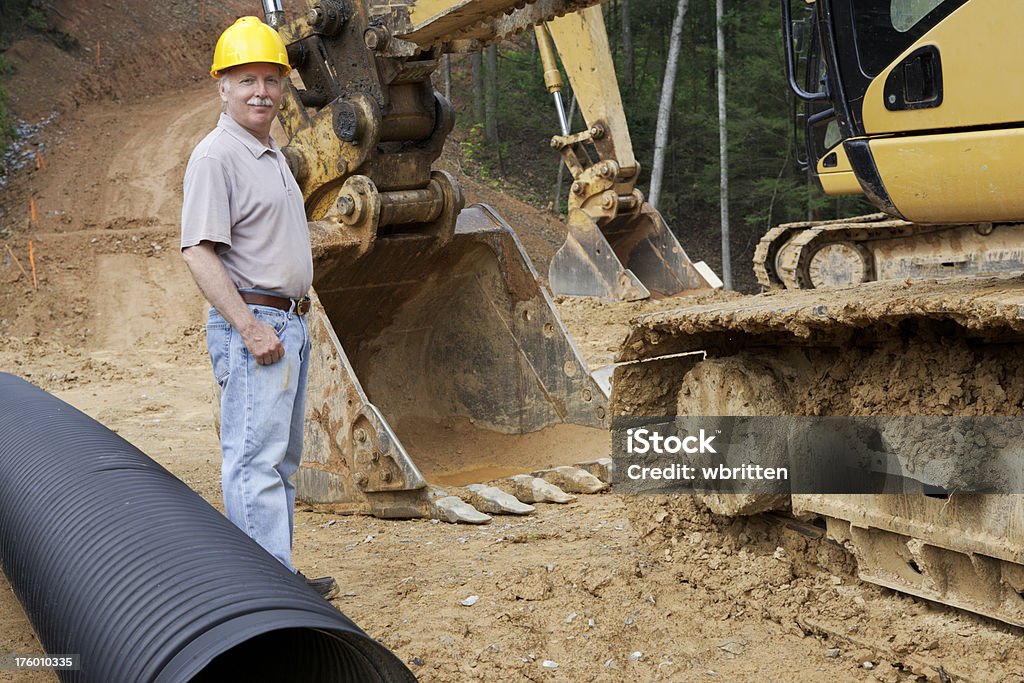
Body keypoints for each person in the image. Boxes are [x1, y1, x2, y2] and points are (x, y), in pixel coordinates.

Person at [180, 16, 337, 600]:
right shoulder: (217, 156)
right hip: (257, 324)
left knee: (280, 462)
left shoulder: (269, 152)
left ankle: (277, 577)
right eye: (246, 80)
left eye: (271, 80)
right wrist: (247, 328)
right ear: (222, 86)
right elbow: (198, 251)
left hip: (286, 323)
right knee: (252, 461)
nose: (261, 92)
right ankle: (263, 595)